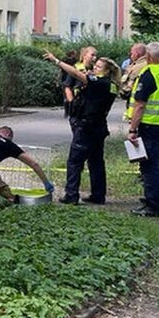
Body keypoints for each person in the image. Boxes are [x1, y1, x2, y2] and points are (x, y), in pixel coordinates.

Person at [45, 51, 120, 205]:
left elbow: (76, 74)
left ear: (106, 71)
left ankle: (71, 195)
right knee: (96, 162)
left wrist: (57, 61)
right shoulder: (111, 85)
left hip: (87, 127)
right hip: (99, 127)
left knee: (74, 161)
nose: (95, 67)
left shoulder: (100, 83)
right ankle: (98, 195)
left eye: (99, 66)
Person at [126, 42, 159, 217]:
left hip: (150, 126)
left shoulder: (149, 74)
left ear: (148, 57)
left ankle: (153, 205)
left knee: (150, 167)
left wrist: (133, 129)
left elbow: (140, 105)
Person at [119, 43, 148, 120]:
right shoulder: (149, 63)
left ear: (137, 54)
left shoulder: (137, 67)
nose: (130, 55)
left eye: (131, 53)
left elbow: (125, 89)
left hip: (137, 105)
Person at [59, 49, 79, 116]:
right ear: (72, 54)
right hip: (72, 80)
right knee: (72, 95)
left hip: (64, 80)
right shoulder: (76, 62)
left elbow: (61, 71)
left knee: (65, 96)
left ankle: (66, 112)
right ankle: (71, 111)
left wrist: (57, 80)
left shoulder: (64, 60)